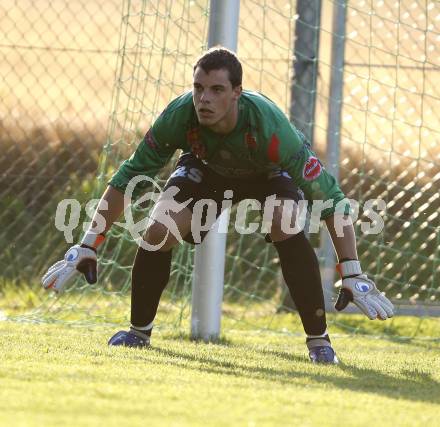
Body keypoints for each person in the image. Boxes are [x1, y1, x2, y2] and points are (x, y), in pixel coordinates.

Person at [41, 47, 394, 364]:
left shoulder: (272, 129)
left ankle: (319, 342)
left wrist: (352, 270)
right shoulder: (180, 116)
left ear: (237, 93)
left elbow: (331, 200)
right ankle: (138, 333)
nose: (204, 99)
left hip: (266, 175)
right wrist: (89, 244)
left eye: (217, 90)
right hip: (207, 171)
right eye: (198, 88)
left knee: (284, 220)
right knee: (158, 228)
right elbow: (126, 178)